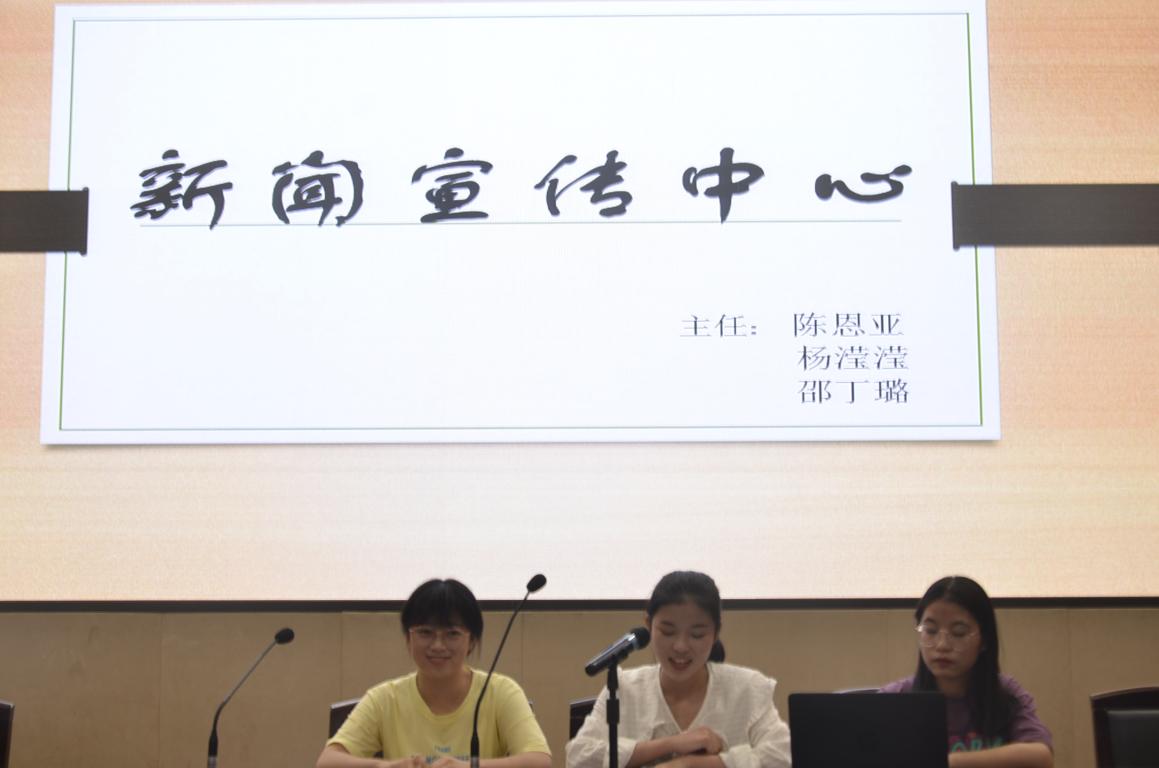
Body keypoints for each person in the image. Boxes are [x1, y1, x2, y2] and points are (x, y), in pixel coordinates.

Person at [317, 578, 551, 768]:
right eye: (425, 632)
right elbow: (327, 762)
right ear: (408, 638)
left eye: (452, 634)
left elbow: (540, 761)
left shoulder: (500, 692)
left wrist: (472, 766)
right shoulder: (385, 699)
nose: (438, 645)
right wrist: (385, 766)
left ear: (471, 641)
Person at [566, 571, 791, 768]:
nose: (681, 646)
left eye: (697, 634)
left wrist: (692, 764)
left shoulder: (748, 689)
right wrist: (672, 744)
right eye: (668, 632)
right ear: (648, 625)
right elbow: (578, 758)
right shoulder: (624, 688)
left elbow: (784, 756)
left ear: (716, 633)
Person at [880, 576, 1053, 768]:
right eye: (930, 630)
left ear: (984, 640)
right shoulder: (895, 698)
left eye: (959, 633)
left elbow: (1041, 757)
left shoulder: (1004, 692)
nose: (942, 645)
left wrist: (947, 763)